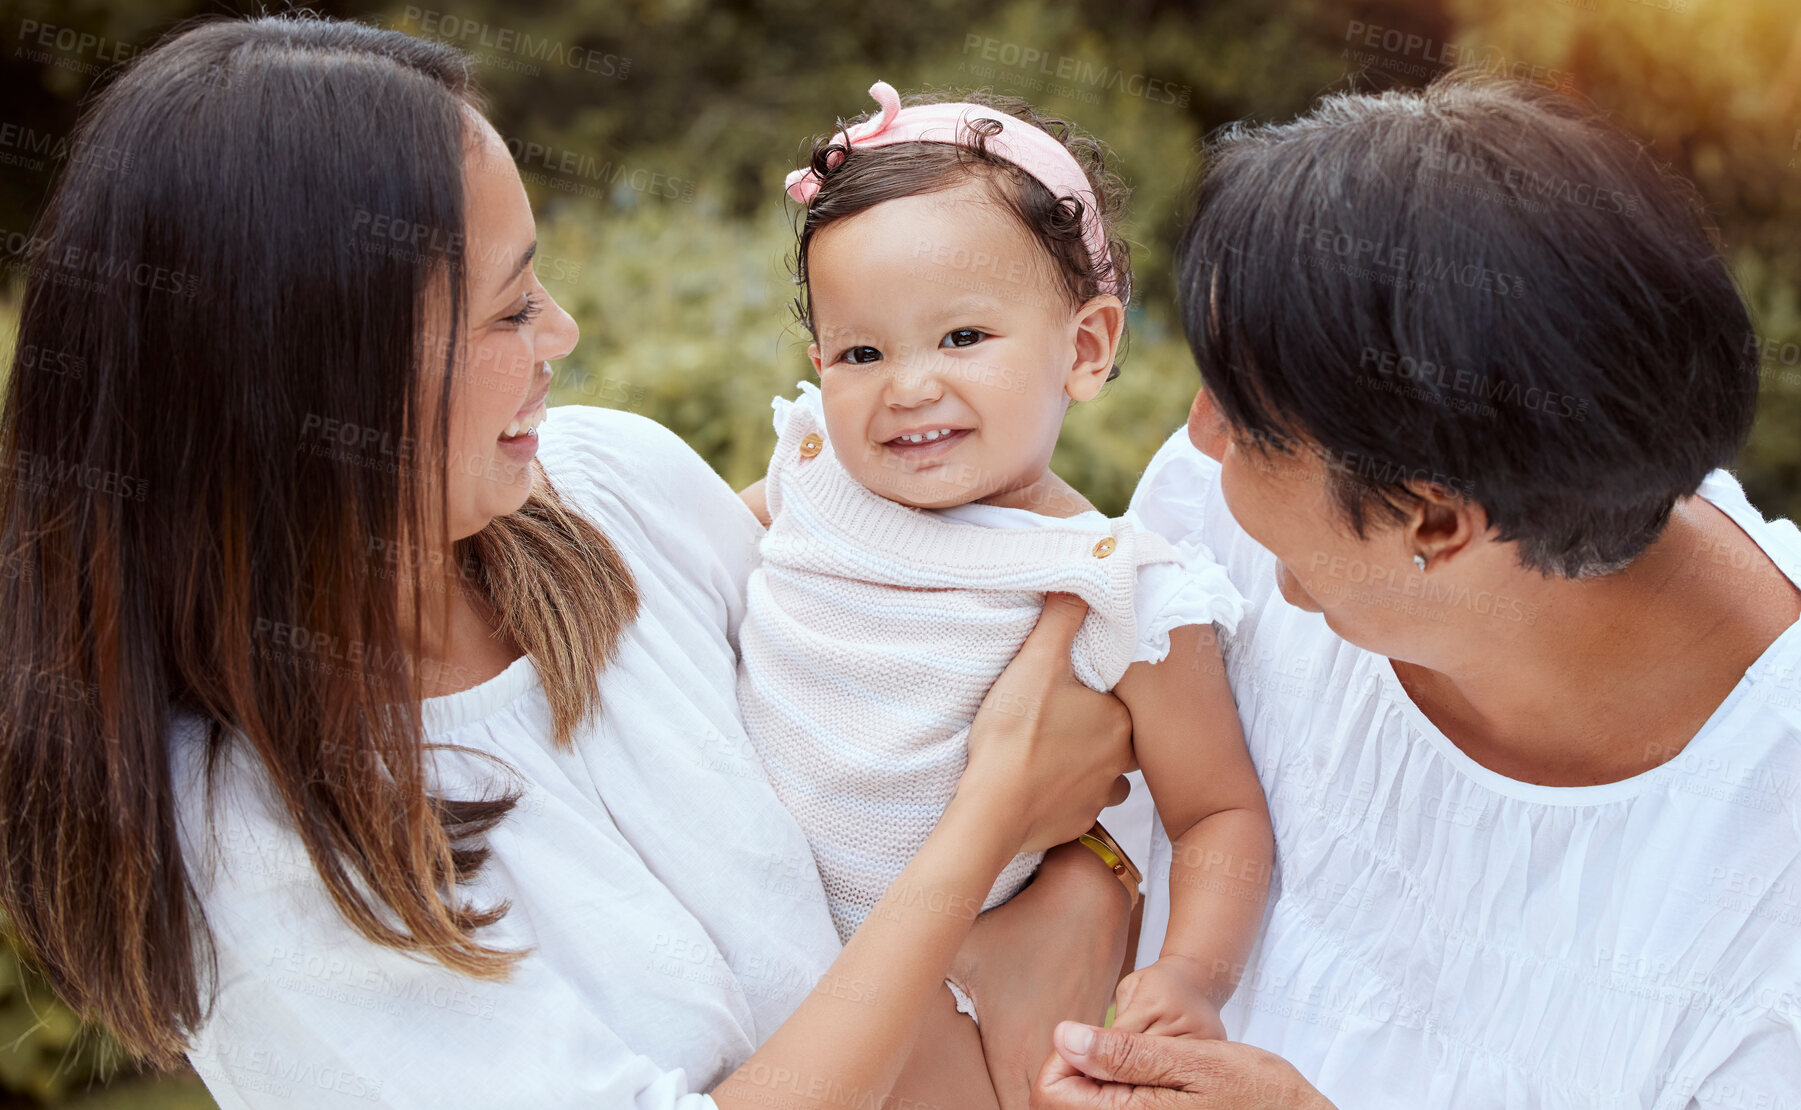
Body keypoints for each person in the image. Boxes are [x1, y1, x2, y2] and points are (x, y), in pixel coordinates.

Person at [0, 17, 1140, 1109]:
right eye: (506, 314)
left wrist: (1085, 880)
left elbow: (941, 694)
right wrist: (989, 829)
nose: (563, 335)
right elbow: (1001, 784)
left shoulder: (609, 487)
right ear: (310, 383)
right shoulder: (257, 853)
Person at [1032, 74, 1801, 1108]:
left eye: (1245, 427)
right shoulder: (1241, 522)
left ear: (1435, 522)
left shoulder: (1764, 905)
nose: (1199, 434)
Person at [732, 80, 1273, 1100]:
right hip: (757, 946)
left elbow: (1216, 814)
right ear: (818, 364)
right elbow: (688, 573)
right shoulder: (808, 471)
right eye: (861, 351)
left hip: (964, 990)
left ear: (1084, 346)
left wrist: (1191, 975)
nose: (908, 384)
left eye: (962, 338)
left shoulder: (1112, 585)